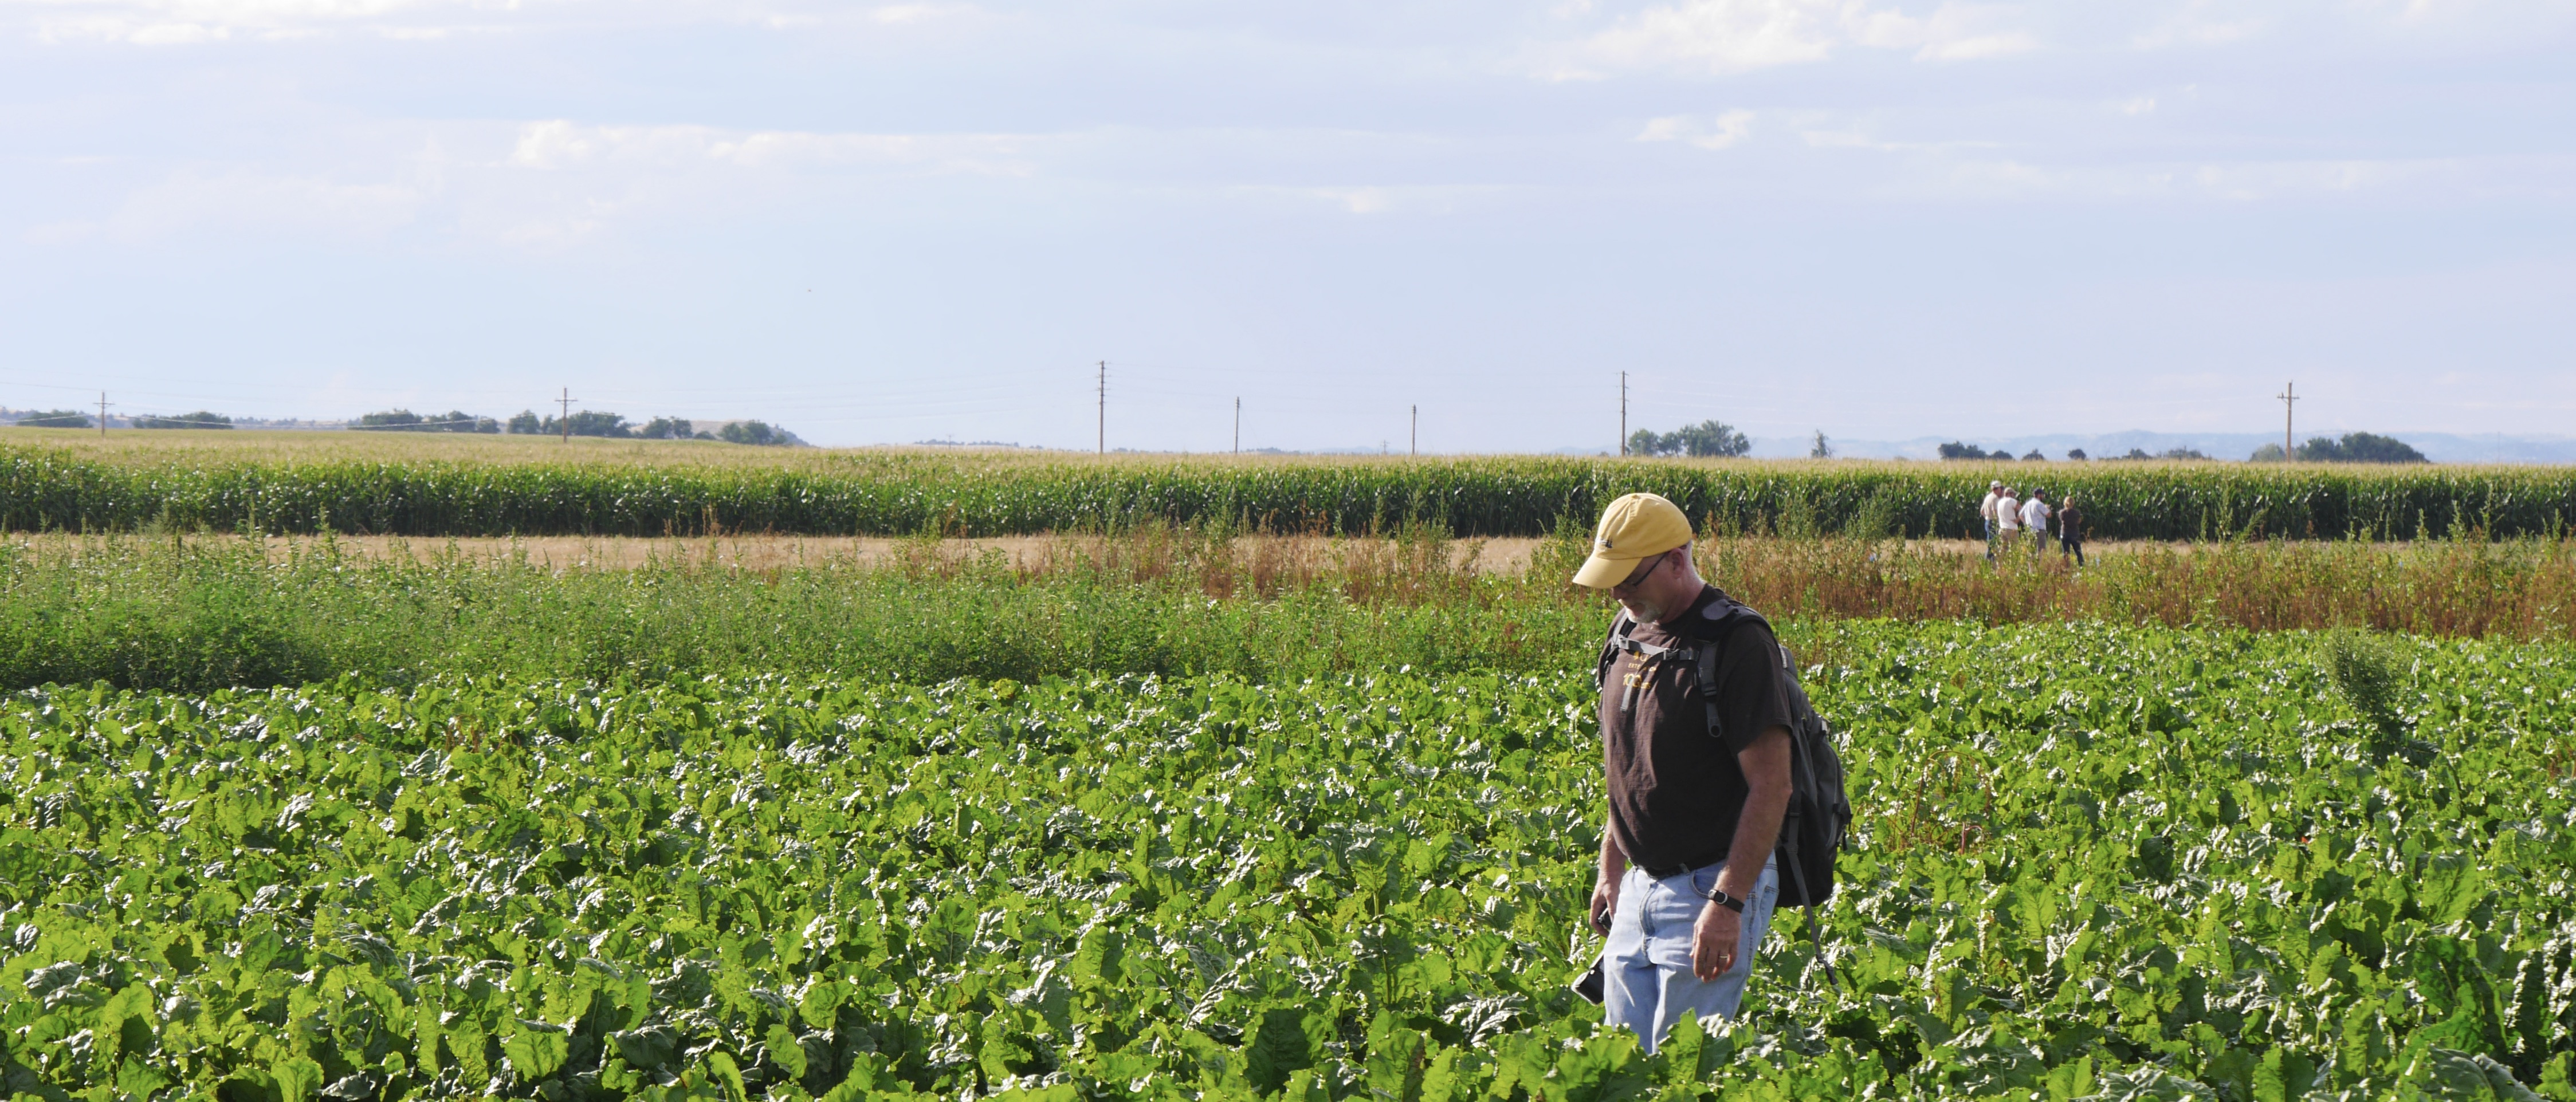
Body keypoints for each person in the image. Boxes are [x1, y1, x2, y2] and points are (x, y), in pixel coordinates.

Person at [1572, 493, 1792, 1054]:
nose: (1618, 592)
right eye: (1612, 580)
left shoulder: (1737, 644)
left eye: (1629, 578)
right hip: (1637, 887)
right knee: (1624, 1068)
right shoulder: (1627, 632)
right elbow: (1631, 768)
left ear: (1675, 559)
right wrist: (1609, 867)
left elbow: (1772, 784)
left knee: (1681, 1073)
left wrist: (1726, 904)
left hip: (1706, 885)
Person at [2019, 490, 2051, 556]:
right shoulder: (2039, 504)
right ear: (2039, 495)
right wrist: (2048, 508)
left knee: (2031, 551)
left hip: (2030, 530)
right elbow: (2048, 515)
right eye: (2042, 495)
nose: (2043, 497)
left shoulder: (2028, 504)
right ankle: (2040, 565)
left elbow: (2021, 515)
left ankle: (2031, 566)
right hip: (2039, 530)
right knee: (2041, 551)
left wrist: (2026, 524)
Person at [1978, 479, 2004, 561]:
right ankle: (1989, 560)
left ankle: (1988, 560)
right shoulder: (1995, 498)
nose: (2001, 491)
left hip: (1987, 521)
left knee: (1991, 542)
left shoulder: (1988, 497)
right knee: (1993, 544)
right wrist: (1998, 522)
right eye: (2000, 489)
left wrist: (1987, 517)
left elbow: (1982, 511)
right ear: (1997, 489)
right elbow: (1995, 511)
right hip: (1993, 522)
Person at [2058, 494, 2087, 566]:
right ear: (2073, 503)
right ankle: (2082, 567)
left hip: (2065, 534)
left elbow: (2062, 520)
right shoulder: (2077, 513)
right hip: (2074, 534)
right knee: (2078, 552)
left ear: (2065, 503)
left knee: (2066, 553)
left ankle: (2066, 568)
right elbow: (2079, 521)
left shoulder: (2062, 513)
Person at [1993, 485, 2020, 557]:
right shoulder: (2011, 501)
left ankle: (2001, 566)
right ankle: (2013, 566)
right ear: (2009, 494)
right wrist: (2017, 520)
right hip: (2012, 529)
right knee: (2014, 550)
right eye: (2013, 494)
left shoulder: (2000, 502)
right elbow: (2022, 510)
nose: (2014, 496)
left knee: (2003, 550)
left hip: (2002, 528)